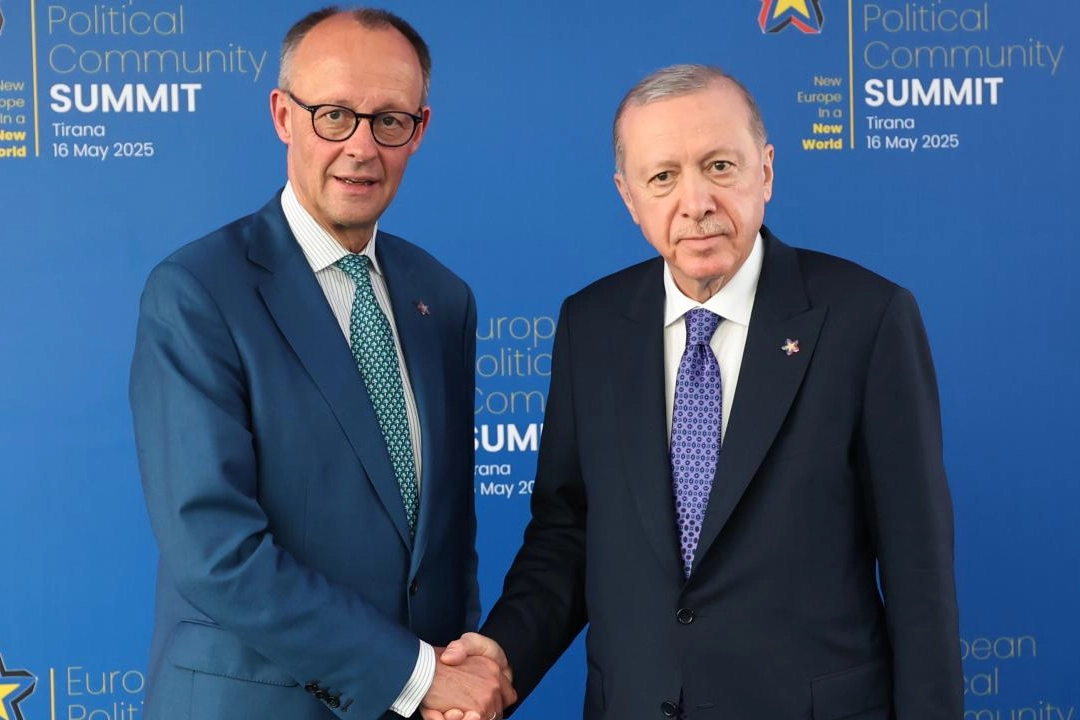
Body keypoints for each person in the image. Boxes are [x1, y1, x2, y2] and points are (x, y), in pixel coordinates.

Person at [439, 64, 962, 719]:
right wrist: (502, 655)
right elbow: (568, 533)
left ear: (765, 171)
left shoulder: (868, 318)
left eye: (719, 166)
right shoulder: (591, 325)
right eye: (663, 177)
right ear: (629, 197)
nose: (696, 202)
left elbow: (919, 572)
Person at [130, 7, 512, 720]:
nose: (361, 147)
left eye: (389, 120)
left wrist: (453, 679)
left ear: (419, 130)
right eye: (334, 115)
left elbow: (446, 542)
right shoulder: (198, 292)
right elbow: (215, 550)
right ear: (284, 115)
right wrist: (415, 677)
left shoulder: (443, 299)